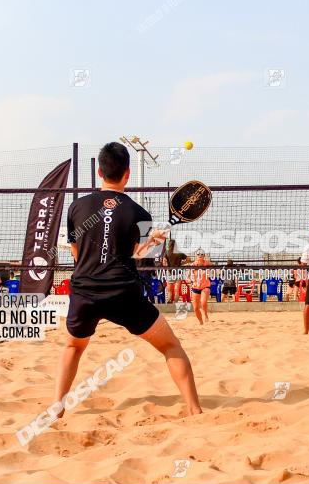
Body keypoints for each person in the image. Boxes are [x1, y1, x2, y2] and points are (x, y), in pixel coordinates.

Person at [56, 142, 202, 418]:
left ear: (99, 171)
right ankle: (194, 409)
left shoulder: (76, 207)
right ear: (128, 173)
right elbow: (141, 256)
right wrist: (153, 239)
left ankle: (57, 409)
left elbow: (77, 255)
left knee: (73, 347)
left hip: (84, 291)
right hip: (124, 294)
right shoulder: (140, 214)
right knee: (171, 347)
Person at [189, 249, 211, 324]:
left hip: (205, 286)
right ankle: (201, 322)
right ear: (196, 255)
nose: (200, 255)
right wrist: (190, 280)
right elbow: (188, 276)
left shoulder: (207, 263)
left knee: (203, 302)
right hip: (196, 287)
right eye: (198, 254)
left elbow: (216, 268)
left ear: (204, 256)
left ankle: (205, 314)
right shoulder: (193, 265)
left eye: (202, 254)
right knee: (195, 308)